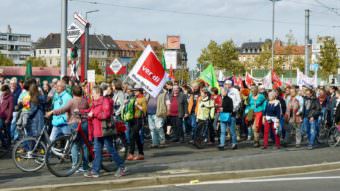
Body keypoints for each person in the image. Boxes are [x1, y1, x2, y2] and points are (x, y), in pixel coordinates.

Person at [84, 86, 126, 178]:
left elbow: (106, 114)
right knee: (98, 151)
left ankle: (121, 166)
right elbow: (89, 111)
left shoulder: (105, 101)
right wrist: (79, 112)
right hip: (97, 131)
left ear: (98, 93)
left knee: (110, 149)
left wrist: (94, 114)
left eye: (93, 94)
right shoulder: (95, 103)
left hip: (105, 130)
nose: (92, 96)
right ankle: (95, 171)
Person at [46, 85, 90, 173]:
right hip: (84, 123)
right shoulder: (85, 101)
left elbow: (62, 109)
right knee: (84, 144)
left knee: (74, 144)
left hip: (74, 124)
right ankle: (85, 165)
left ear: (73, 93)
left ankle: (75, 165)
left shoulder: (72, 101)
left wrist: (52, 112)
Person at [126, 85, 147, 161]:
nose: (134, 92)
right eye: (134, 91)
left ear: (140, 91)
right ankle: (141, 154)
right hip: (132, 119)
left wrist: (137, 105)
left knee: (132, 136)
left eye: (136, 91)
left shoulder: (143, 99)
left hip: (139, 119)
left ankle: (131, 153)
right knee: (137, 137)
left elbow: (144, 110)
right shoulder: (134, 98)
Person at [224, 80, 241, 145]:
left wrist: (234, 108)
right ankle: (229, 138)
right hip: (226, 110)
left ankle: (234, 140)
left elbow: (238, 100)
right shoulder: (225, 90)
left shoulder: (235, 90)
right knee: (226, 126)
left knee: (233, 125)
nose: (226, 85)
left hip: (233, 110)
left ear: (231, 84)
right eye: (225, 84)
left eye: (227, 84)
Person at [9, 77, 21, 143]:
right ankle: (11, 136)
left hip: (15, 110)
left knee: (13, 123)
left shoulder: (19, 91)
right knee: (11, 124)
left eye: (13, 84)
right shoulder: (8, 90)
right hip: (8, 110)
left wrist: (18, 105)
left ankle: (13, 137)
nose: (12, 85)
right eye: (11, 84)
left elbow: (20, 100)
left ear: (16, 84)